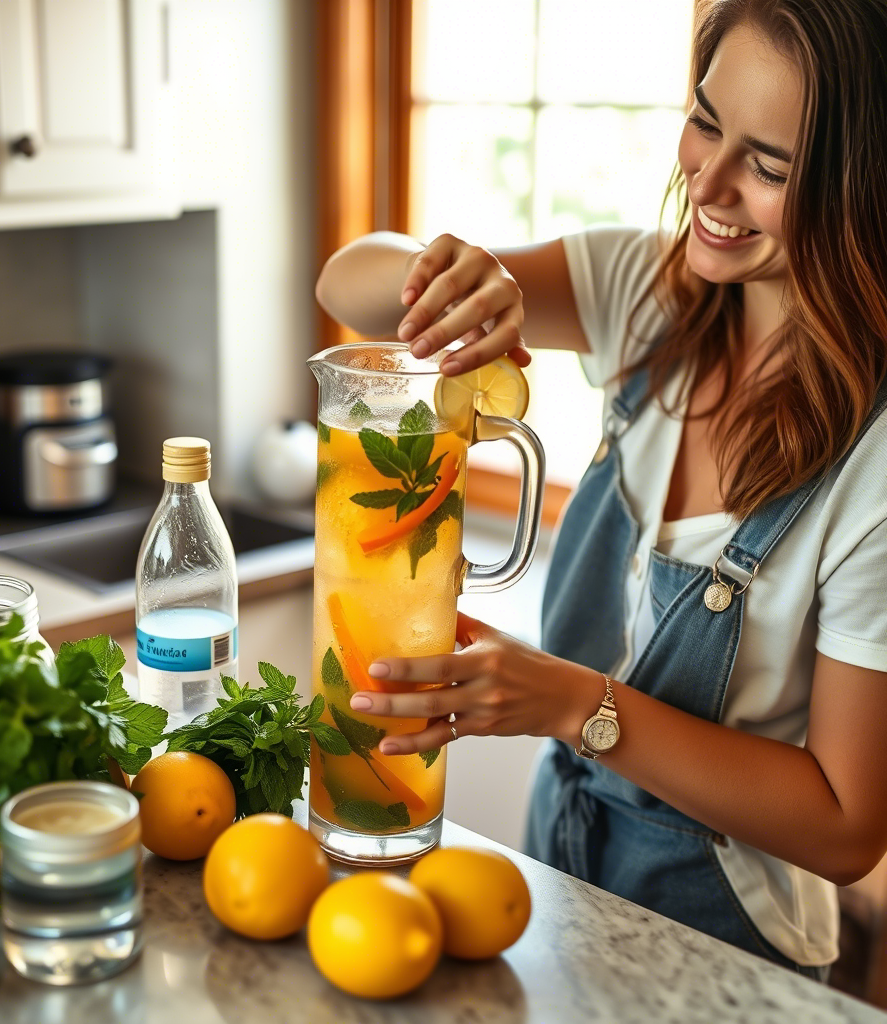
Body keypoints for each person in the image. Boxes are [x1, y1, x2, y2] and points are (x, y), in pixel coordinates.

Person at [314, 0, 887, 980]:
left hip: (734, 938)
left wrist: (575, 704)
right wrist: (455, 277)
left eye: (768, 165)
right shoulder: (645, 292)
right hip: (557, 864)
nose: (704, 182)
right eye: (705, 121)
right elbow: (345, 283)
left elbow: (843, 827)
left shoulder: (872, 464)